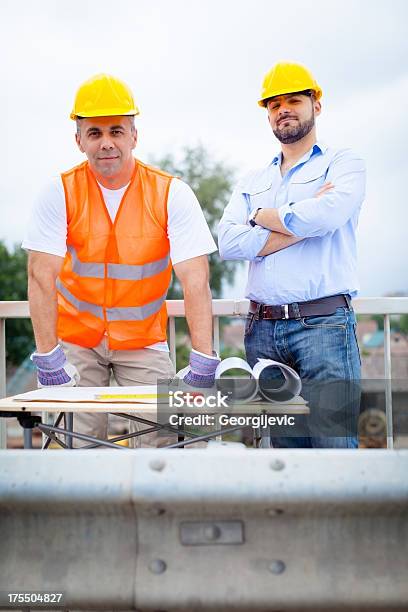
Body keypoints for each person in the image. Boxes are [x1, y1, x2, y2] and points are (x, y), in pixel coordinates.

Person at [23, 73, 220, 447]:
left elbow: (196, 280)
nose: (107, 143)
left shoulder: (170, 193)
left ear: (134, 135)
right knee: (77, 444)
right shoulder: (58, 193)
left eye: (116, 130)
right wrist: (49, 357)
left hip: (143, 339)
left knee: (159, 445)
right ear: (79, 140)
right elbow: (39, 276)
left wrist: (203, 357)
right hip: (77, 340)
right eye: (95, 133)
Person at [218, 61, 365, 448]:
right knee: (285, 456)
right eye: (274, 103)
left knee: (335, 452)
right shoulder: (253, 180)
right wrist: (302, 223)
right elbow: (228, 242)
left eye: (294, 100)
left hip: (324, 327)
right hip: (263, 333)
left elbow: (330, 214)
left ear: (316, 105)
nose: (283, 109)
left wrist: (261, 217)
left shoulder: (343, 163)